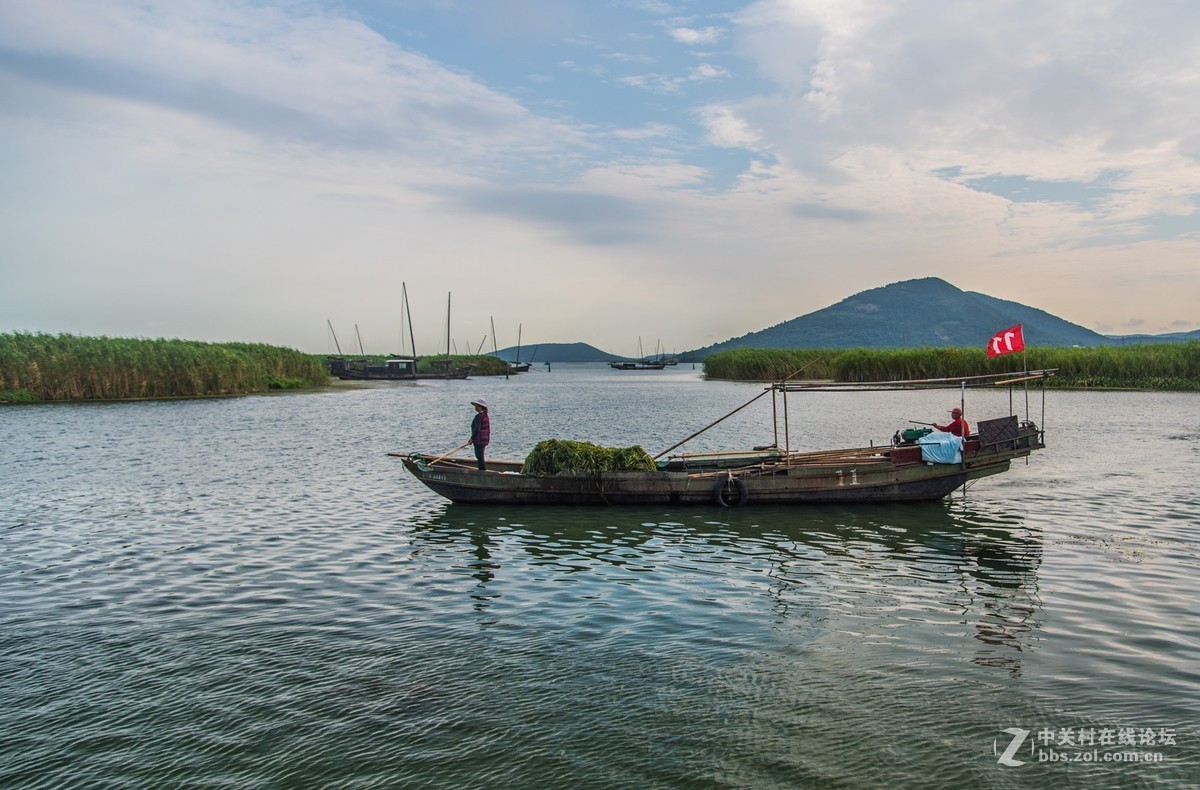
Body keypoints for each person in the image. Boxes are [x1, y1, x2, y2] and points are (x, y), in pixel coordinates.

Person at [469, 398, 490, 470]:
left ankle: (482, 472)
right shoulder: (485, 415)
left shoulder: (479, 417)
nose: (475, 407)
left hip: (479, 440)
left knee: (479, 457)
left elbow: (477, 430)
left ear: (480, 407)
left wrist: (472, 439)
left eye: (476, 406)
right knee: (480, 456)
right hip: (484, 440)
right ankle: (482, 471)